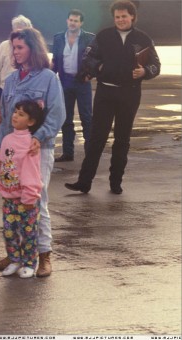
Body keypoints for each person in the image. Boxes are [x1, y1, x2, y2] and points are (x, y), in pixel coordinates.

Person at [0, 28, 65, 277]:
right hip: (12, 154)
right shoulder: (10, 80)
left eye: (20, 47)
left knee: (35, 200)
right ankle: (16, 254)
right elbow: (3, 119)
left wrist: (38, 137)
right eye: (14, 48)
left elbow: (56, 114)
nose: (16, 52)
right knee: (12, 200)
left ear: (33, 48)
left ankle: (43, 254)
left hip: (37, 152)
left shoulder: (48, 78)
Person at [65, 0, 160, 195]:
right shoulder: (103, 36)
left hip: (130, 93)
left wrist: (144, 72)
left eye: (124, 16)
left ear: (132, 16)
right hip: (105, 93)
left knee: (122, 140)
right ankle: (84, 182)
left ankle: (115, 182)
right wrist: (98, 68)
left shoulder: (143, 38)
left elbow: (156, 65)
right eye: (117, 17)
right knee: (96, 139)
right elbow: (88, 58)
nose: (121, 20)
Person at [0, 100, 45, 278]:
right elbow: (2, 160)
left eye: (21, 114)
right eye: (15, 112)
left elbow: (31, 172)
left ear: (31, 121)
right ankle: (14, 259)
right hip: (9, 197)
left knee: (28, 232)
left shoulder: (30, 143)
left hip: (26, 199)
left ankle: (29, 263)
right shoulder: (7, 139)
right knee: (9, 231)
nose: (15, 116)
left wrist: (29, 197)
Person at [52, 9, 95, 162]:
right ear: (67, 21)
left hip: (82, 83)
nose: (73, 23)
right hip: (64, 82)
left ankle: (90, 153)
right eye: (71, 20)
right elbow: (55, 61)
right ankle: (68, 153)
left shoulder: (89, 38)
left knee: (87, 118)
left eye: (76, 21)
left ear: (81, 23)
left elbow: (96, 60)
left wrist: (91, 74)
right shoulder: (58, 38)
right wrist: (51, 78)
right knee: (66, 118)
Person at [0, 15, 32, 108]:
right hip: (3, 92)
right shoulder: (4, 46)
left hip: (24, 96)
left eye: (23, 33)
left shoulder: (32, 49)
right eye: (16, 31)